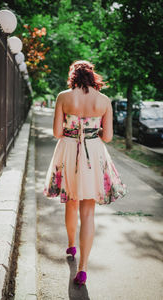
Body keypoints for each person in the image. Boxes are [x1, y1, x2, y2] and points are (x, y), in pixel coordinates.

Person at [43, 60, 127, 287]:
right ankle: (83, 268)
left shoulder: (63, 97)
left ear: (73, 75)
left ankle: (71, 244)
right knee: (88, 211)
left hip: (69, 150)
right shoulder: (104, 100)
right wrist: (94, 129)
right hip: (93, 153)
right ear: (92, 75)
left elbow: (57, 132)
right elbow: (108, 137)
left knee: (71, 202)